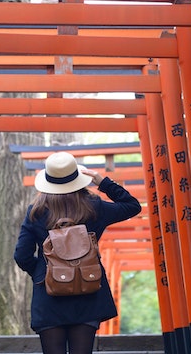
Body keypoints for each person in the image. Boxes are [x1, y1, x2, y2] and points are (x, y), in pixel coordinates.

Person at [14, 151, 142, 354]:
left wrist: (43, 273)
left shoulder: (36, 212)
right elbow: (132, 206)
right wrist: (103, 182)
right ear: (77, 179)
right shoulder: (94, 208)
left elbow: (21, 255)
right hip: (87, 289)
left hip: (49, 296)